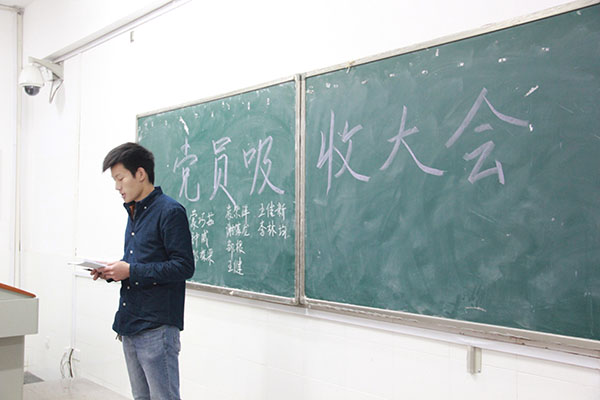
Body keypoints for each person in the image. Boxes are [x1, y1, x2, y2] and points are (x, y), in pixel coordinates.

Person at [91, 142, 195, 400]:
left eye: (120, 178)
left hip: (156, 327)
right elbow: (139, 263)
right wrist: (112, 271)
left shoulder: (170, 211)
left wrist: (131, 271)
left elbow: (184, 266)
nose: (117, 187)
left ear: (140, 174)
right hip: (130, 323)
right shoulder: (135, 212)